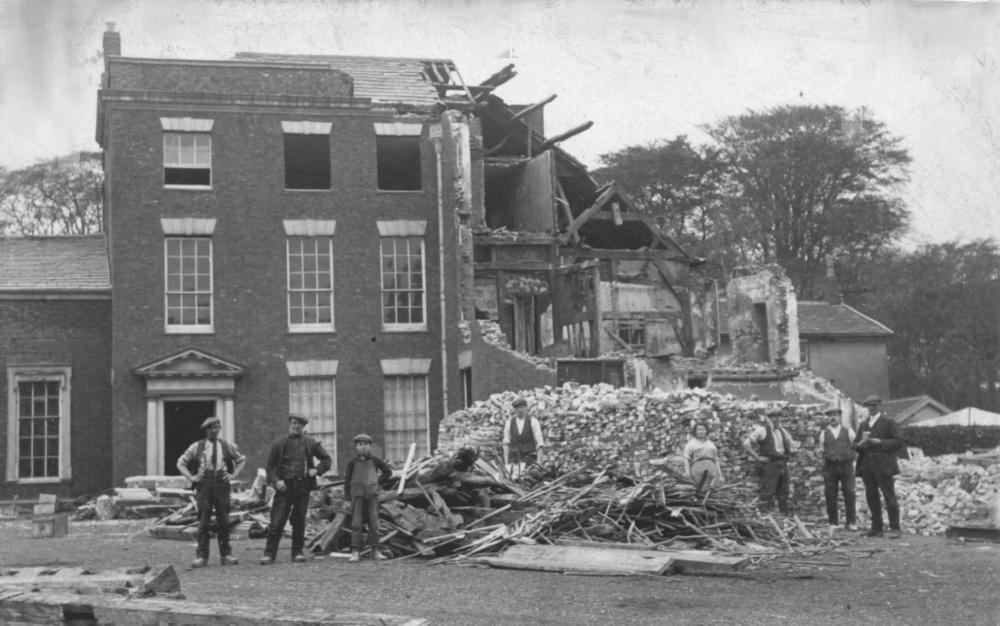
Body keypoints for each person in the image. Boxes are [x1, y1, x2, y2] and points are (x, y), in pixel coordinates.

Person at [261, 414, 332, 564]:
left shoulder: (310, 442)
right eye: (294, 423)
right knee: (277, 521)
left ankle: (297, 553)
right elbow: (269, 467)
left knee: (299, 521)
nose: (296, 426)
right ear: (289, 424)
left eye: (299, 424)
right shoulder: (279, 443)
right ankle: (269, 554)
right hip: (284, 488)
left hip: (302, 487)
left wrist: (317, 470)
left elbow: (326, 460)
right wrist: (276, 481)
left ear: (303, 427)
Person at [176, 415, 246, 568]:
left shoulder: (227, 446)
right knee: (204, 522)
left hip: (222, 485)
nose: (215, 431)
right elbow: (181, 463)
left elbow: (241, 460)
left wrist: (233, 475)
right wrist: (192, 478)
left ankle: (226, 555)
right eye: (211, 428)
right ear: (206, 430)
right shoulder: (196, 446)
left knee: (224, 521)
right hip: (204, 486)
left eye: (217, 427)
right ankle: (202, 556)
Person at [853, 394, 906, 538]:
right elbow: (855, 444)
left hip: (884, 464)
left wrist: (880, 442)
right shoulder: (864, 424)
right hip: (867, 465)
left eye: (874, 405)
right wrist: (859, 445)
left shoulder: (888, 422)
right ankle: (877, 528)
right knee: (871, 496)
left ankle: (895, 528)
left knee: (889, 495)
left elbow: (899, 441)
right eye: (869, 406)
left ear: (879, 406)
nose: (871, 408)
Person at [344, 433, 393, 562]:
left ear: (370, 446)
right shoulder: (352, 463)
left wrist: (377, 481)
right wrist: (347, 497)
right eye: (360, 445)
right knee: (356, 524)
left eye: (366, 445)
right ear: (356, 447)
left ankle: (375, 550)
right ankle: (355, 551)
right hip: (357, 496)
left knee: (374, 523)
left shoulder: (376, 461)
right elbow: (347, 480)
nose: (363, 447)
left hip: (372, 496)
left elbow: (388, 472)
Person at [742, 407, 797, 514]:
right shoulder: (762, 430)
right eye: (772, 417)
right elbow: (746, 444)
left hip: (783, 465)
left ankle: (784, 520)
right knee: (767, 493)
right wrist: (758, 458)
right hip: (770, 465)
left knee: (783, 494)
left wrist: (792, 450)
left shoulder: (783, 431)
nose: (776, 419)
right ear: (767, 418)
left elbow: (792, 444)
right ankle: (764, 519)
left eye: (778, 417)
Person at [817, 406, 857, 532]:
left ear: (840, 417)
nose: (833, 417)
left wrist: (851, 461)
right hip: (830, 467)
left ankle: (851, 522)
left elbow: (855, 448)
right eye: (830, 415)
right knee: (830, 494)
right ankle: (833, 522)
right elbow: (821, 451)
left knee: (849, 493)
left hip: (846, 466)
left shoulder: (849, 431)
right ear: (827, 418)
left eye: (835, 415)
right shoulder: (823, 434)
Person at [502, 397, 546, 481]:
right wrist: (506, 463)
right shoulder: (509, 423)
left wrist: (539, 463)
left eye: (522, 407)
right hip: (514, 460)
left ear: (526, 408)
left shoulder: (533, 422)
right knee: (512, 480)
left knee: (529, 480)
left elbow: (540, 444)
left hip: (529, 460)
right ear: (514, 409)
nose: (519, 410)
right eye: (517, 408)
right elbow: (506, 444)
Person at [683, 422, 723, 488]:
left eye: (703, 429)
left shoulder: (711, 444)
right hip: (698, 470)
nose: (701, 431)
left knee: (713, 490)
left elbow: (716, 460)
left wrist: (720, 475)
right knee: (700, 489)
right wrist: (687, 473)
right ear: (695, 431)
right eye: (699, 429)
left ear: (706, 431)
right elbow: (686, 459)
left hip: (712, 469)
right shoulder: (690, 444)